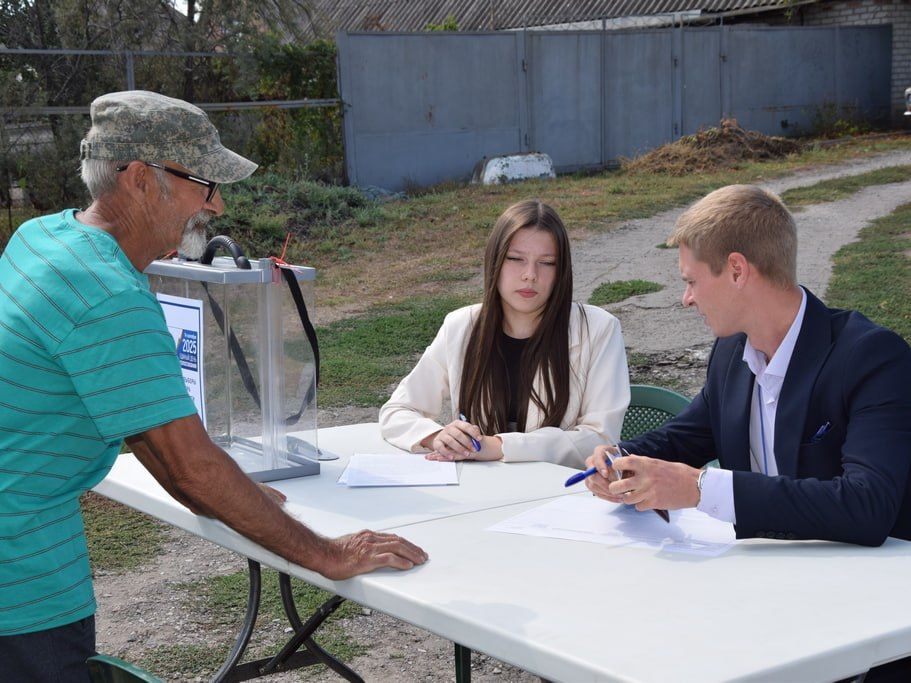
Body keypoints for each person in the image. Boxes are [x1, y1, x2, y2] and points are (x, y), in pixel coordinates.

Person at [0, 91, 426, 682]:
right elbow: (190, 469)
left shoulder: (41, 237)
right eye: (205, 184)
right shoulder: (107, 295)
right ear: (141, 179)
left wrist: (232, 495)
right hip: (22, 584)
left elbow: (157, 443)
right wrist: (328, 553)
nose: (218, 204)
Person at [584, 184, 911, 548]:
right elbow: (684, 438)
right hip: (755, 572)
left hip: (866, 575)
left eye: (691, 281)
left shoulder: (873, 357)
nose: (686, 299)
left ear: (737, 271)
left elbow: (868, 504)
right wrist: (619, 460)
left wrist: (701, 488)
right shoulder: (730, 351)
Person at [379, 199, 630, 469]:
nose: (530, 275)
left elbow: (600, 439)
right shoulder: (461, 326)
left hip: (559, 488)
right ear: (494, 261)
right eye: (515, 259)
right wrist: (438, 436)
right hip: (480, 487)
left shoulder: (599, 329)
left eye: (547, 263)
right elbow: (397, 411)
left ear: (561, 271)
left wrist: (497, 447)